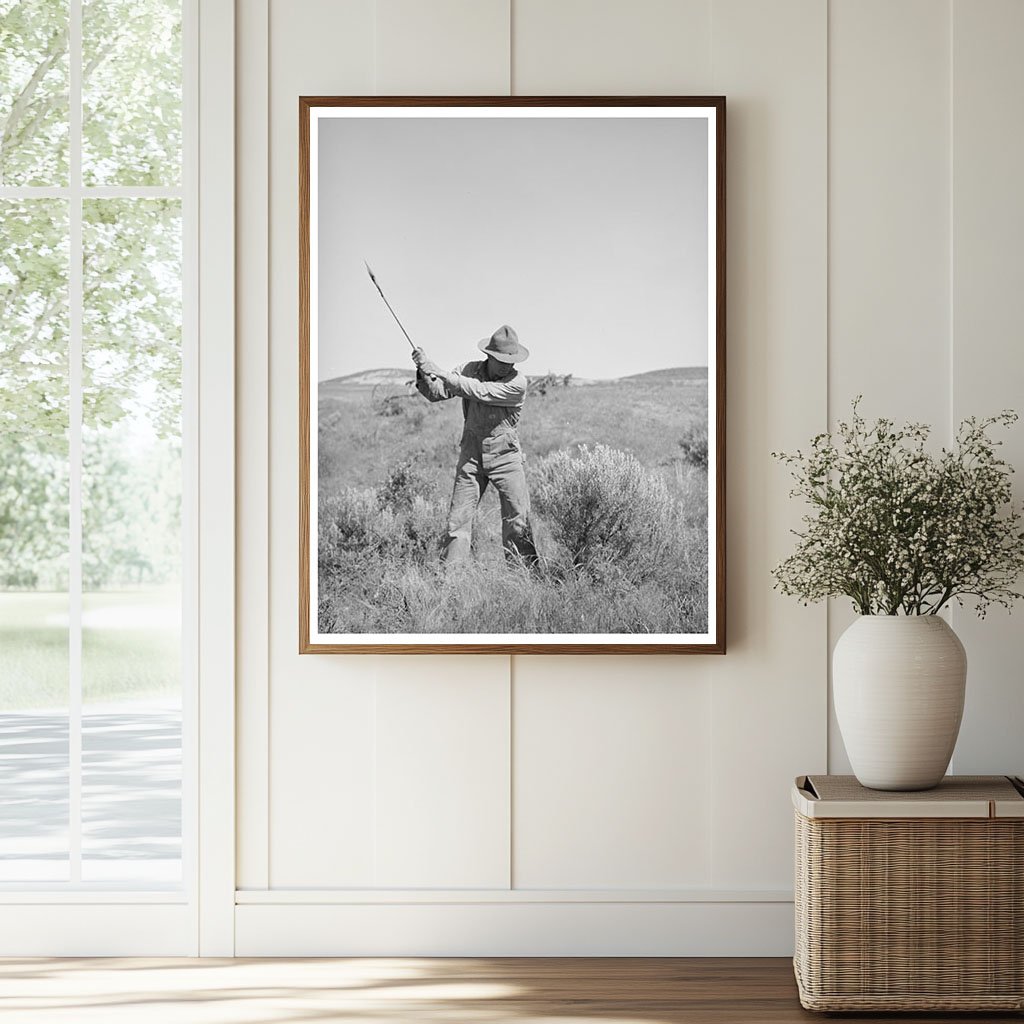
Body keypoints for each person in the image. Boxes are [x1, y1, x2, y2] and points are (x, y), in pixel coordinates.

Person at [413, 325, 538, 565]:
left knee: (518, 520)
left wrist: (438, 370)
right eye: (501, 360)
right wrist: (423, 369)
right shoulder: (468, 370)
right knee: (457, 521)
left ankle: (525, 578)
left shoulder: (517, 382)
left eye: (510, 361)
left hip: (506, 457)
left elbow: (479, 391)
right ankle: (451, 582)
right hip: (472, 454)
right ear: (489, 355)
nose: (506, 366)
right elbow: (437, 393)